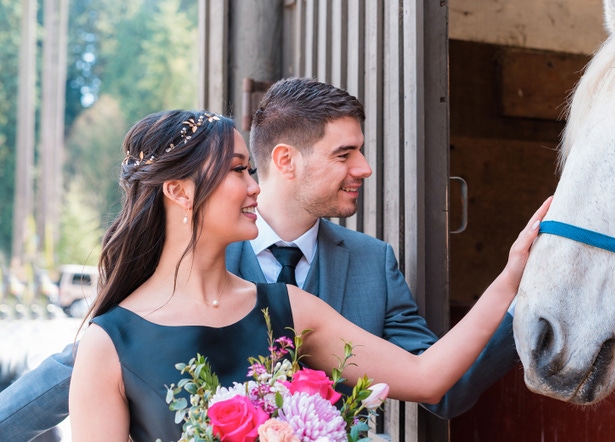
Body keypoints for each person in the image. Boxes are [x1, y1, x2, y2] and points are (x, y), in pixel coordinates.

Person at [66, 109, 549, 441]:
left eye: (251, 169)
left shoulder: (288, 307)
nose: (256, 187)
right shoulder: (108, 343)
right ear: (179, 191)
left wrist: (513, 274)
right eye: (238, 171)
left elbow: (427, 378)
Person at [226, 76, 520, 418]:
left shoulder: (373, 262)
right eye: (344, 154)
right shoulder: (205, 257)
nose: (364, 168)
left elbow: (446, 386)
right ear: (285, 160)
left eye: (359, 151)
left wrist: (522, 294)